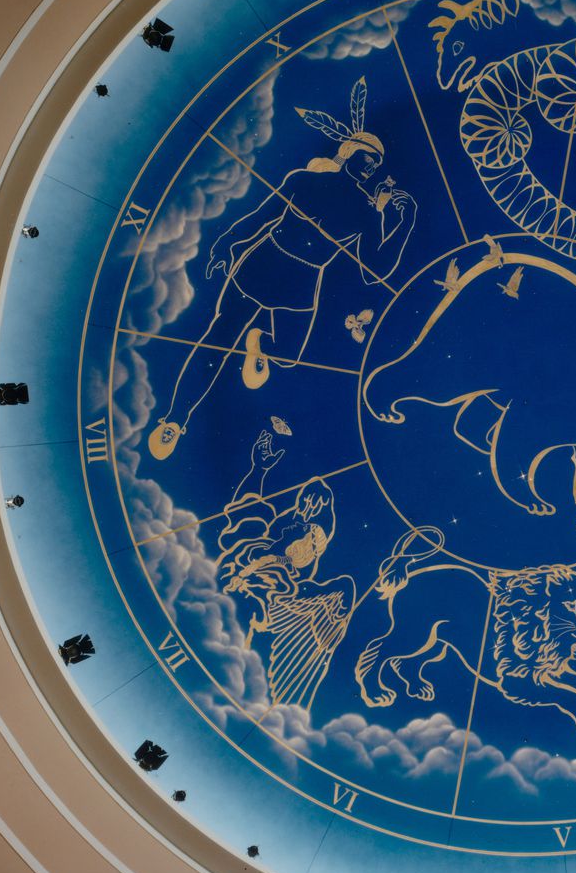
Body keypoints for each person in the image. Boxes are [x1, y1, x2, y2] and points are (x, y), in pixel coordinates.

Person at [147, 77, 417, 461]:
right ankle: (174, 420)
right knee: (215, 343)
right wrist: (227, 244)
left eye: (375, 165)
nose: (371, 168)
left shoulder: (364, 212)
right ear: (348, 152)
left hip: (302, 283)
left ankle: (258, 342)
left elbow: (376, 270)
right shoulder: (305, 181)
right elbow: (262, 218)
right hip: (262, 264)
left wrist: (401, 222)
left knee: (289, 355)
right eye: (366, 158)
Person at [216, 430, 357, 709]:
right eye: (305, 502)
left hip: (274, 585)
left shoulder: (309, 537)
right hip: (256, 575)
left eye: (313, 506)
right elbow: (252, 519)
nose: (306, 509)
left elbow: (289, 562)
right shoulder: (283, 525)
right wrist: (258, 470)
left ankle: (243, 674)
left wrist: (261, 566)